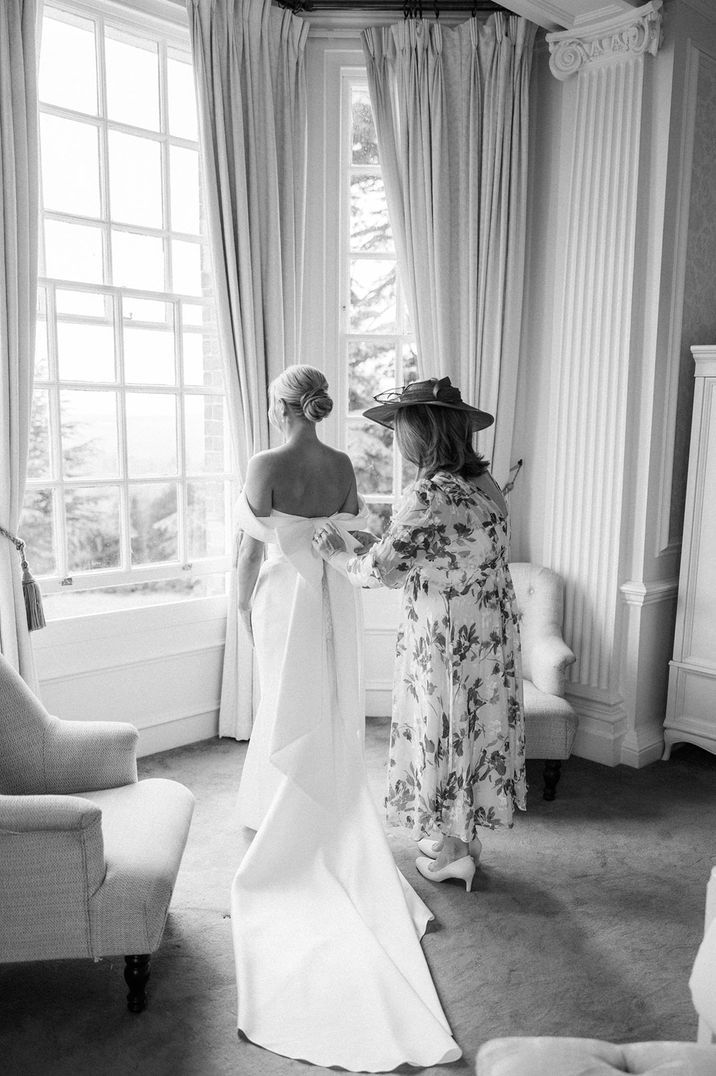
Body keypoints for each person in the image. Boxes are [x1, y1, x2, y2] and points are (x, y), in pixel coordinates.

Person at [230, 364, 461, 1072]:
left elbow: (247, 548)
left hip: (285, 598)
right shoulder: (339, 463)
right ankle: (309, 795)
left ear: (280, 406)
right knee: (328, 701)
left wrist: (241, 606)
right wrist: (330, 543)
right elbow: (361, 544)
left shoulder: (265, 462)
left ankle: (287, 810)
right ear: (319, 406)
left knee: (283, 699)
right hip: (332, 594)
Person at [315, 375, 527, 894]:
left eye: (402, 431)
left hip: (446, 637)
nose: (399, 442)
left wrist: (339, 554)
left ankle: (453, 853)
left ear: (422, 435)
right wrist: (382, 541)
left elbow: (378, 573)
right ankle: (466, 835)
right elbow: (450, 549)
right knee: (475, 724)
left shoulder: (429, 493)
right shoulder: (487, 485)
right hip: (488, 631)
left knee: (445, 725)